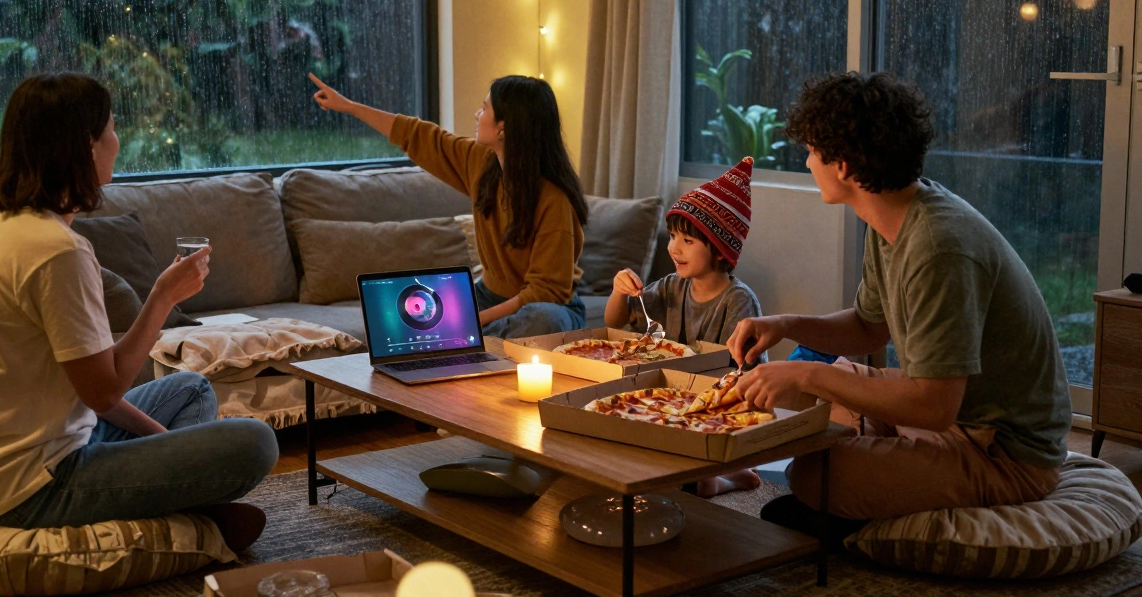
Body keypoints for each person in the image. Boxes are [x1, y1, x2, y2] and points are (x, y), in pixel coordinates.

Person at [0, 74, 278, 551]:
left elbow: (91, 388)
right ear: (87, 147)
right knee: (255, 442)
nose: (119, 140)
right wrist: (162, 299)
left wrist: (165, 449)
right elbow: (105, 389)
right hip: (30, 486)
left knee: (192, 389)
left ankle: (185, 505)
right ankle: (189, 517)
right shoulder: (57, 251)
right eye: (112, 128)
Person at [726, 72, 1071, 534]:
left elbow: (934, 408)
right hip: (954, 416)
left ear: (844, 165)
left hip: (1000, 450)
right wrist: (786, 325)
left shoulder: (937, 247)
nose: (807, 162)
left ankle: (863, 512)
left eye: (811, 150)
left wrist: (811, 370)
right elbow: (869, 327)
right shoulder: (890, 215)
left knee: (813, 471)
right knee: (788, 395)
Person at [308, 72, 588, 338]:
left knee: (541, 321)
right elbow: (417, 136)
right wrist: (350, 107)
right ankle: (474, 341)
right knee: (404, 316)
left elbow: (542, 293)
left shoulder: (554, 200)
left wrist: (477, 320)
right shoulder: (481, 163)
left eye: (484, 108)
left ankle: (468, 340)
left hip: (546, 309)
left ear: (503, 127)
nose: (477, 115)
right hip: (487, 298)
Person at [604, 157, 763, 496]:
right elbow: (614, 322)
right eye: (673, 236)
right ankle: (725, 473)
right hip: (673, 397)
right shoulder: (670, 286)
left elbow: (741, 377)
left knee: (692, 481)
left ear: (719, 249)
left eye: (688, 241)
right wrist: (619, 291)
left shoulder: (738, 301)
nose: (674, 247)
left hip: (717, 403)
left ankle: (723, 476)